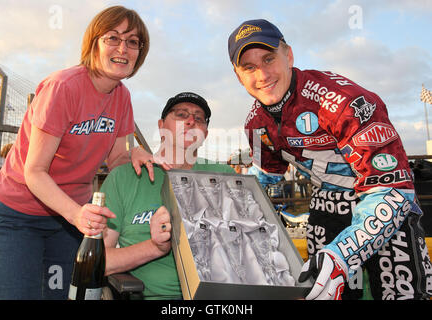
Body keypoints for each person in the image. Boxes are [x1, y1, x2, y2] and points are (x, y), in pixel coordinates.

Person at [228, 19, 431, 300]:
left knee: (401, 295)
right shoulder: (254, 125)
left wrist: (341, 256)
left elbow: (394, 190)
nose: (261, 74)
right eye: (248, 67)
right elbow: (264, 180)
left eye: (268, 59)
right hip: (327, 207)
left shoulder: (346, 101)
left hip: (382, 204)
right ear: (238, 75)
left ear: (288, 56)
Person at [0, 6, 162, 300]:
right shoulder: (63, 87)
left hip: (67, 222)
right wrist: (77, 215)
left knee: (62, 296)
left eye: (133, 42)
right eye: (113, 38)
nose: (123, 48)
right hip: (19, 216)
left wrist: (135, 154)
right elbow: (34, 172)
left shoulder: (122, 97)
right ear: (94, 43)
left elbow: (117, 159)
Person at [100, 92, 235, 299]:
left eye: (199, 119)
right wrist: (155, 247)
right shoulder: (124, 178)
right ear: (162, 126)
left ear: (205, 134)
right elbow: (100, 261)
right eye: (181, 114)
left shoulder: (223, 176)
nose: (191, 121)